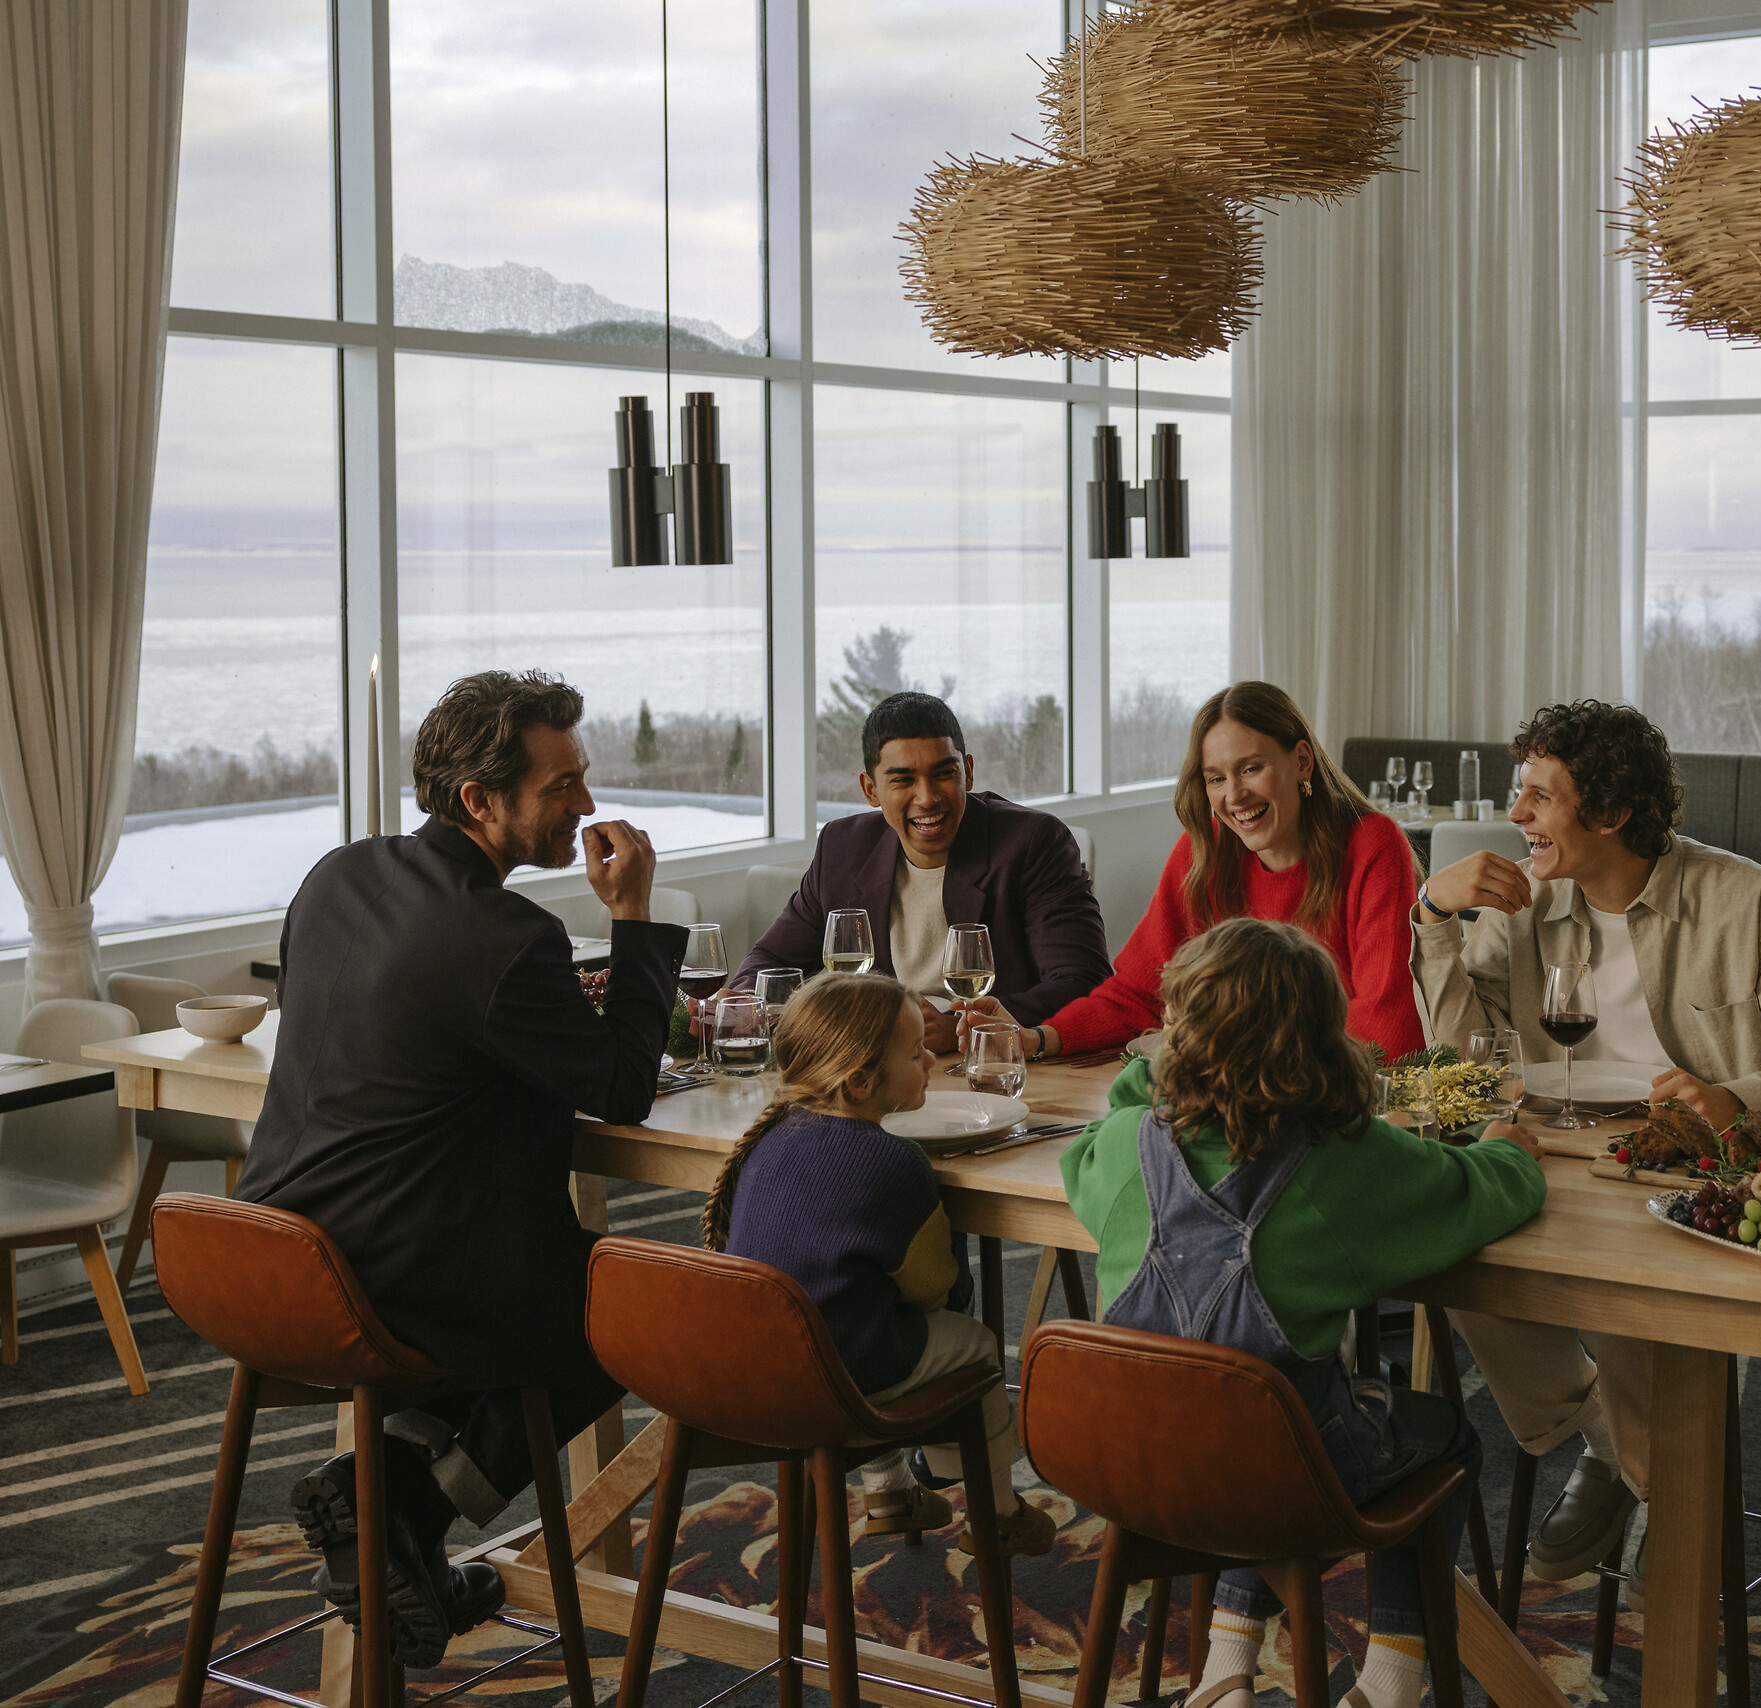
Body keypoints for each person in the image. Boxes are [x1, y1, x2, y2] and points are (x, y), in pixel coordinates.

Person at [238, 671, 685, 1667]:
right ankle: (410, 1505)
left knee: (546, 1285)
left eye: (582, 778)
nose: (585, 805)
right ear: (479, 799)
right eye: (561, 786)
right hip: (396, 1280)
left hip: (271, 1251)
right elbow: (621, 1087)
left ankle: (387, 1500)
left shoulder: (336, 874)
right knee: (627, 1310)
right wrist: (634, 914)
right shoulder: (508, 936)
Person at [1411, 699, 1761, 1603]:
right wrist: (1432, 916)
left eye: (1540, 797)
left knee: (1629, 1286)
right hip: (1552, 1153)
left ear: (1613, 813)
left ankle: (1656, 1483)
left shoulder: (1745, 901)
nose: (1517, 815)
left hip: (1688, 1172)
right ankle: (1614, 1447)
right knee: (1449, 1254)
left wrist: (1738, 1097)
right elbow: (1467, 1064)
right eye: (1520, 792)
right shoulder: (1525, 903)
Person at [1061, 917, 1546, 1708]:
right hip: (1279, 1474)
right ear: (1323, 1035)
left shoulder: (1122, 1143)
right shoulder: (1346, 1157)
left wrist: (1148, 1076)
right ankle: (1392, 1681)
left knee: (1254, 1416)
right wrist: (1508, 1149)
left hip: (1127, 1464)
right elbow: (1483, 1193)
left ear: (1177, 1031)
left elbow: (1086, 1145)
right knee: (1443, 1435)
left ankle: (1225, 1670)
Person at [702, 972, 1055, 1555]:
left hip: (757, 1364)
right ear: (861, 1082)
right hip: (839, 1375)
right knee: (974, 1344)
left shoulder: (769, 1140)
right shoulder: (894, 1161)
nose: (930, 1061)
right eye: (915, 1054)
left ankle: (891, 1492)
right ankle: (997, 1510)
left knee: (859, 1306)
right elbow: (933, 1287)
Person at [967, 681, 1426, 1061]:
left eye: (1251, 768)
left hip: (1338, 1098)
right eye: (1216, 778)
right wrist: (1038, 1038)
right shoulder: (1205, 850)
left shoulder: (1372, 845)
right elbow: (1139, 991)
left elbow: (1387, 1023)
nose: (1235, 795)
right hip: (1233, 1091)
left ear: (1302, 761)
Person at [737, 691, 1111, 1052]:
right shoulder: (842, 847)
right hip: (880, 1066)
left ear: (968, 772)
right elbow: (770, 962)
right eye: (903, 780)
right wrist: (739, 1003)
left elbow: (1084, 981)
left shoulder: (1033, 842)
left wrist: (962, 1028)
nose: (927, 797)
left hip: (996, 1064)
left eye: (944, 773)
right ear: (871, 790)